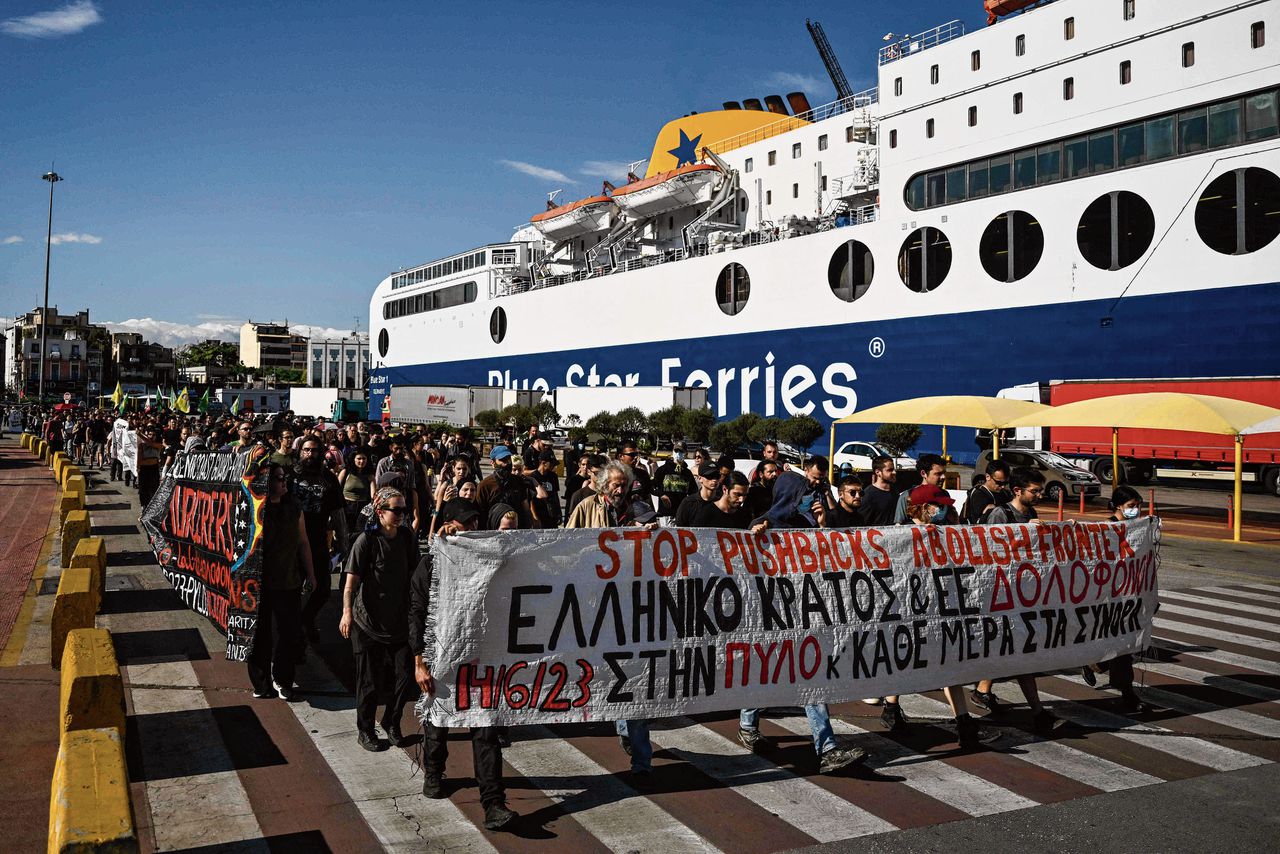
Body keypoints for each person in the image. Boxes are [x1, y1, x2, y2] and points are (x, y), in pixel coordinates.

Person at [740, 455, 868, 773]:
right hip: (773, 616)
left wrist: (823, 525)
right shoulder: (765, 525)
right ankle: (748, 723)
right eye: (805, 494)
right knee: (771, 671)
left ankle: (826, 748)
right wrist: (757, 533)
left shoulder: (810, 526)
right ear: (791, 498)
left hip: (803, 613)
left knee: (806, 677)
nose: (812, 497)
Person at [412, 499, 517, 830]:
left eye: (475, 523)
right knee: (438, 721)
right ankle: (433, 770)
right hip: (441, 658)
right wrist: (419, 662)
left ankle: (493, 803)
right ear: (449, 525)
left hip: (482, 658)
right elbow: (416, 613)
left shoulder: (490, 560)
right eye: (464, 524)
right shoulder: (431, 564)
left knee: (485, 726)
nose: (472, 529)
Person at [566, 461, 659, 783]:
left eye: (624, 484)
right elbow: (567, 545)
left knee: (634, 679)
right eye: (615, 485)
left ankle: (642, 763)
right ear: (604, 485)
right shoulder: (585, 507)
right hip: (598, 604)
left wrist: (650, 535)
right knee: (609, 673)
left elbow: (660, 542)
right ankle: (623, 726)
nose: (620, 490)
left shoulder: (639, 509)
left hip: (632, 605)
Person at [877, 484, 990, 747]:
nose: (944, 510)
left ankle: (963, 721)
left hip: (940, 608)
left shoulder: (943, 533)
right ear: (925, 508)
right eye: (940, 507)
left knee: (948, 661)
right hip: (909, 611)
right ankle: (892, 708)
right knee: (907, 659)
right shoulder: (900, 534)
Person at [966, 469, 1059, 734]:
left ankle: (984, 691)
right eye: (1034, 490)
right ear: (1018, 491)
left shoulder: (1031, 515)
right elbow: (988, 549)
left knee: (1014, 651)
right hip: (1000, 594)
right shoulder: (1001, 514)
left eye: (1040, 490)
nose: (1039, 495)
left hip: (1021, 593)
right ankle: (1038, 712)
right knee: (1018, 652)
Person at [340, 487, 419, 751]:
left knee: (406, 676)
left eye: (403, 510)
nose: (400, 515)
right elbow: (350, 583)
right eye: (395, 510)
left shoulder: (407, 538)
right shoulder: (367, 540)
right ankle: (365, 730)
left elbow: (414, 576)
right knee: (369, 682)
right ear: (380, 511)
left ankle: (391, 721)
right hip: (367, 624)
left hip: (398, 621)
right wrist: (347, 613)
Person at [248, 464, 316, 701]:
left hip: (288, 581)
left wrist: (311, 573)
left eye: (284, 478)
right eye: (278, 478)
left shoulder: (294, 508)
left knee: (289, 633)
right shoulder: (254, 510)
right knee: (261, 635)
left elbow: (303, 542)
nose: (283, 482)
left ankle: (283, 679)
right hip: (259, 584)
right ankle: (261, 682)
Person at [1080, 485, 1150, 713]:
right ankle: (1128, 694)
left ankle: (1095, 664)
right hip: (1109, 598)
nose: (1136, 510)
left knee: (1124, 644)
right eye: (1131, 506)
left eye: (1138, 506)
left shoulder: (1139, 527)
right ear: (1118, 506)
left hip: (1132, 594)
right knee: (1122, 645)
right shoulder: (1107, 528)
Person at [293, 436, 348, 647]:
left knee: (323, 589)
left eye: (314, 450)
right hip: (292, 541)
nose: (310, 454)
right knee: (292, 590)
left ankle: (306, 618)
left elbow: (338, 511)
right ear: (300, 452)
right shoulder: (290, 476)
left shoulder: (328, 479)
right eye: (306, 450)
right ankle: (295, 632)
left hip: (317, 540)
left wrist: (343, 542)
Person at [475, 445, 542, 529]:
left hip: (517, 531)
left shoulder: (518, 481)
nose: (506, 463)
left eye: (508, 459)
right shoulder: (485, 485)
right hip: (492, 532)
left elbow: (525, 508)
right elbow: (480, 513)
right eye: (502, 460)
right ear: (493, 463)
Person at [894, 454, 945, 524]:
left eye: (943, 473)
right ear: (923, 473)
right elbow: (898, 529)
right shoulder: (906, 497)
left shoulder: (944, 495)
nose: (943, 477)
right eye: (938, 474)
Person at [672, 462, 724, 527]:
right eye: (709, 476)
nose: (714, 480)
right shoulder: (688, 503)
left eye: (717, 476)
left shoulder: (723, 502)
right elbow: (679, 529)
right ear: (700, 478)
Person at [652, 444, 696, 518]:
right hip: (665, 514)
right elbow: (651, 487)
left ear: (686, 454)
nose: (678, 453)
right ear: (673, 452)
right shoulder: (663, 470)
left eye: (681, 451)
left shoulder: (687, 473)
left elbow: (693, 492)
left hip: (681, 514)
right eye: (676, 451)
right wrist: (661, 494)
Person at [966, 459, 1011, 524]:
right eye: (999, 483)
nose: (1003, 486)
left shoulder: (1005, 494)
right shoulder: (979, 495)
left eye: (1006, 483)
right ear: (987, 477)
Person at [860, 456, 897, 526]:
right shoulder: (868, 495)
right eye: (890, 470)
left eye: (894, 469)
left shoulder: (894, 491)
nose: (894, 472)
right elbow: (862, 525)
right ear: (878, 472)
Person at [532, 450, 561, 528]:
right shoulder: (533, 477)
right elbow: (530, 500)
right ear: (543, 463)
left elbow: (555, 494)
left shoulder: (553, 476)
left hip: (551, 513)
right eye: (551, 464)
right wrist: (534, 517)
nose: (553, 466)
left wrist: (559, 512)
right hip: (539, 512)